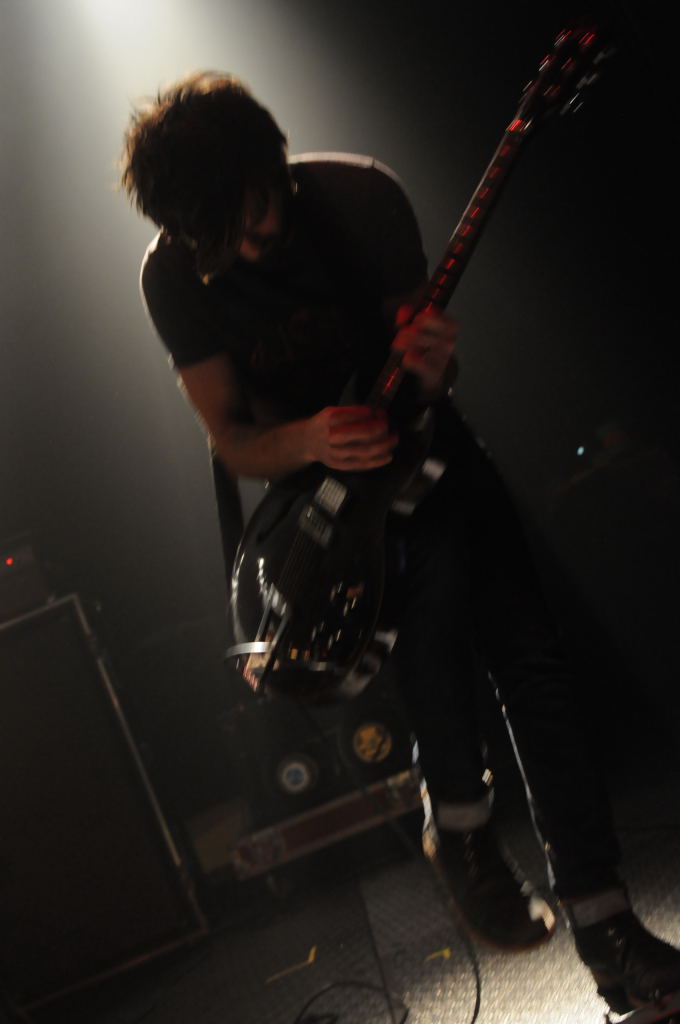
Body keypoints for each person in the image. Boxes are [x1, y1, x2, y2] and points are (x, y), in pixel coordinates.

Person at [120, 72, 680, 1015]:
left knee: (534, 668)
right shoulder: (170, 274)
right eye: (219, 238)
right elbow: (233, 439)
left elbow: (433, 367)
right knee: (432, 635)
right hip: (324, 505)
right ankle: (459, 824)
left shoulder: (359, 199)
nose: (247, 247)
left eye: (254, 219)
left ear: (272, 165)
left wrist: (432, 361)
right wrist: (311, 438)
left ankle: (608, 925)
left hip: (431, 452)